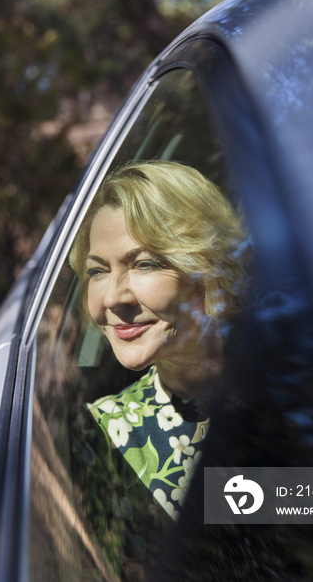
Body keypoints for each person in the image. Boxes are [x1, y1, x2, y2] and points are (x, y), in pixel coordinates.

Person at [70, 160, 250, 520]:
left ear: (210, 269)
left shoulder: (302, 391)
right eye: (97, 272)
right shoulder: (100, 436)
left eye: (144, 264)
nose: (112, 299)